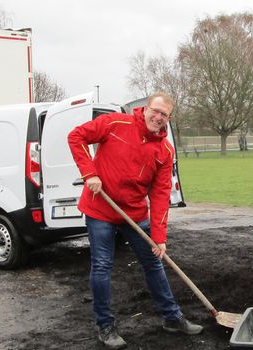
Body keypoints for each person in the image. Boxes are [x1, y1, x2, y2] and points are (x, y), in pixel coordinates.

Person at [68, 92, 202, 349]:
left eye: (164, 115)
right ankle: (105, 326)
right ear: (145, 108)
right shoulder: (115, 123)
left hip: (134, 213)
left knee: (153, 262)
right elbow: (76, 136)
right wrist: (89, 173)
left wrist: (159, 237)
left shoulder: (165, 151)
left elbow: (160, 194)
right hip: (101, 208)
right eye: (155, 111)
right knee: (102, 265)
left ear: (169, 119)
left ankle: (172, 318)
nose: (158, 117)